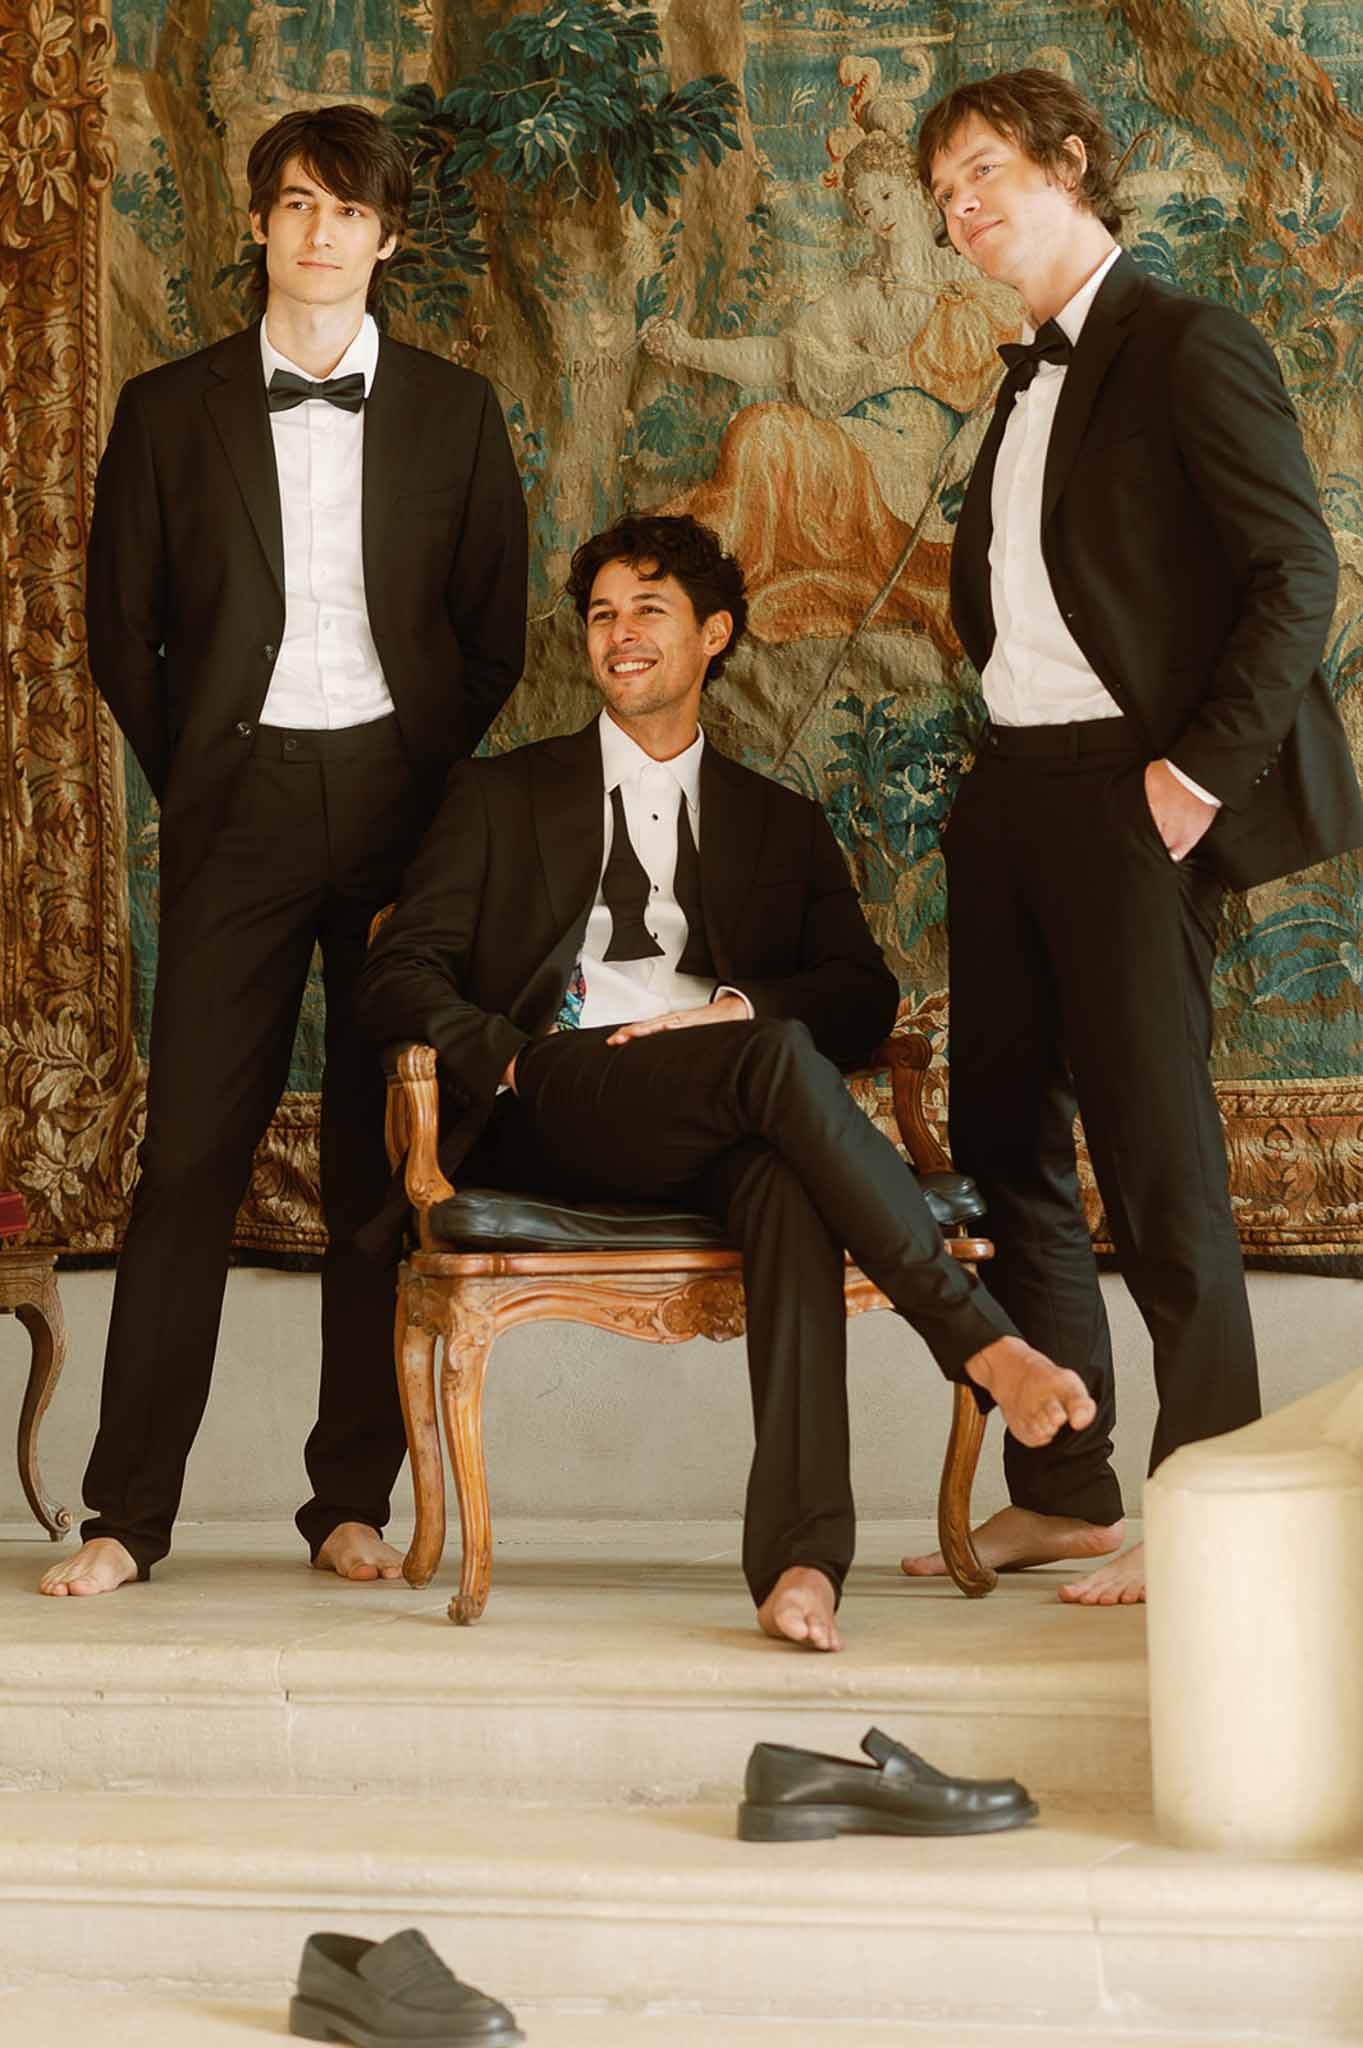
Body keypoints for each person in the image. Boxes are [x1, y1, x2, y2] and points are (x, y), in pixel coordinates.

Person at [357, 512, 1097, 1653]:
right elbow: (398, 969)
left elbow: (861, 993)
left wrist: (738, 1009)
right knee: (772, 1063)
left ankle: (801, 1562)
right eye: (601, 614)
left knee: (783, 1174)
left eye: (647, 610)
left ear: (715, 634)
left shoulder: (780, 824)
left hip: (720, 1106)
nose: (618, 634)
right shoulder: (499, 795)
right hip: (559, 1093)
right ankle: (976, 1335)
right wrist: (507, 1053)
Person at [41, 104, 528, 1598]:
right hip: (236, 814)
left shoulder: (454, 412)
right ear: (259, 223)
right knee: (188, 1156)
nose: (323, 234)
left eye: (352, 213)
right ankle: (129, 1516)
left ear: (386, 239)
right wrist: (206, 770)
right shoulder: (167, 407)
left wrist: (418, 777)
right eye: (299, 205)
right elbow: (123, 629)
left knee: (383, 1175)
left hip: (402, 817)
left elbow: (492, 631)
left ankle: (346, 1506)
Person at [900, 69, 1363, 1605]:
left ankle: (1206, 1510)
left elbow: (1294, 573)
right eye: (941, 193)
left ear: (1068, 165)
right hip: (1012, 793)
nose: (959, 211)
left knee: (1159, 1172)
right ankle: (1068, 1490)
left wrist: (1191, 779)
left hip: (1129, 797)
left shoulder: (1182, 342)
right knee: (1005, 1149)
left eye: (981, 175)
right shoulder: (1015, 374)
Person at [641, 76, 1012, 653]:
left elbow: (1017, 376)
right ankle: (692, 586)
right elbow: (784, 358)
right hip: (860, 440)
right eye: (863, 207)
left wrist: (972, 444)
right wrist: (692, 351)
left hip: (918, 460)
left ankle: (691, 590)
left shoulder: (974, 280)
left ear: (918, 190)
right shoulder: (862, 292)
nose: (876, 215)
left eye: (886, 196)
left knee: (770, 441)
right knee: (760, 428)